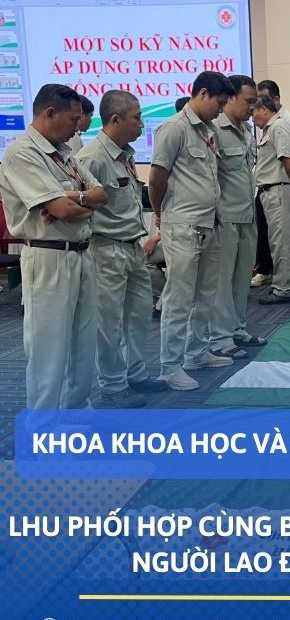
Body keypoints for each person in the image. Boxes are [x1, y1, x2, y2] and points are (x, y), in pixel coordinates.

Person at [0, 84, 107, 409]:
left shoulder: (64, 153)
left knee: (83, 342)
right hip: (48, 256)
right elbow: (62, 210)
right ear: (50, 113)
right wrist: (79, 202)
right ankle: (44, 424)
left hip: (81, 252)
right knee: (48, 349)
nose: (78, 127)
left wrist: (75, 199)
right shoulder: (22, 153)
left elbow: (101, 194)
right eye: (73, 119)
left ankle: (77, 410)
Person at [77, 90, 166, 407]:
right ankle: (113, 386)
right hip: (105, 249)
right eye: (137, 118)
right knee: (109, 323)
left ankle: (135, 374)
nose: (142, 124)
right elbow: (79, 207)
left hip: (132, 246)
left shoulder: (125, 154)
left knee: (139, 315)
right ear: (115, 119)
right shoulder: (91, 158)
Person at [149, 71, 236, 390]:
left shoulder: (209, 130)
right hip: (183, 224)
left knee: (205, 294)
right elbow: (156, 178)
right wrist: (162, 216)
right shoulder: (174, 128)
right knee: (179, 298)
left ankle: (196, 353)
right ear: (202, 94)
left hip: (209, 222)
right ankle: (170, 367)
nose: (221, 109)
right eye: (219, 103)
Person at [209, 75, 267, 355]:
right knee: (222, 283)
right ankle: (219, 339)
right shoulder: (213, 131)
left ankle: (237, 328)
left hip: (247, 215)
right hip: (225, 219)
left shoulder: (246, 131)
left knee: (242, 279)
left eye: (255, 102)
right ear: (230, 98)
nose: (253, 108)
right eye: (249, 101)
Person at [251, 79, 290, 288]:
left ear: (264, 109)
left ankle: (283, 287)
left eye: (253, 111)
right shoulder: (271, 128)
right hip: (271, 189)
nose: (251, 117)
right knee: (281, 239)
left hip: (277, 189)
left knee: (281, 242)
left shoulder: (279, 127)